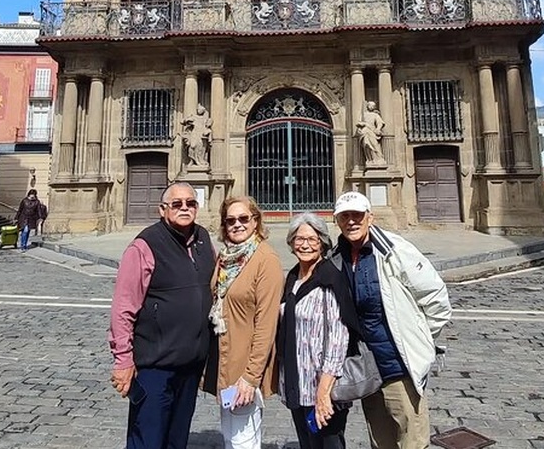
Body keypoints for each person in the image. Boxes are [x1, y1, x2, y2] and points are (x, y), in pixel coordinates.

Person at [330, 191, 452, 449]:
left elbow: (436, 297)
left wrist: (419, 341)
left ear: (370, 217)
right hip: (367, 367)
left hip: (399, 365)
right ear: (337, 222)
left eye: (357, 215)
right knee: (380, 440)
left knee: (411, 440)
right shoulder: (336, 257)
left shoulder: (394, 250)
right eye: (344, 216)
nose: (351, 221)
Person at [108, 182, 216, 449]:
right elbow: (123, 308)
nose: (184, 208)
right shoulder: (145, 245)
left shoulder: (203, 238)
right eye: (177, 203)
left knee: (176, 440)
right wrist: (123, 360)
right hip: (155, 366)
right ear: (162, 209)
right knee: (147, 440)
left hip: (190, 365)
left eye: (190, 203)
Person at [202, 196, 284, 449]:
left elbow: (266, 325)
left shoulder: (265, 260)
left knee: (242, 438)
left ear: (256, 221)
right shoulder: (227, 258)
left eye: (243, 219)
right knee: (232, 432)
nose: (237, 225)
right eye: (230, 221)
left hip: (244, 369)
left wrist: (250, 377)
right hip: (226, 363)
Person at [278, 213, 359, 449]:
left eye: (312, 239)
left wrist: (323, 392)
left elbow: (338, 338)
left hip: (323, 386)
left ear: (323, 243)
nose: (305, 245)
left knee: (328, 443)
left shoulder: (329, 278)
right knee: (308, 443)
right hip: (298, 383)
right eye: (299, 239)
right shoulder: (293, 277)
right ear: (291, 243)